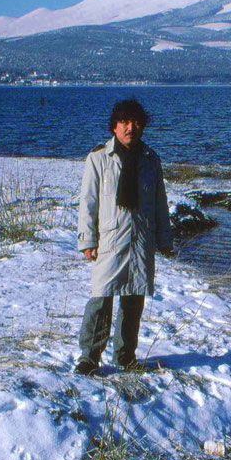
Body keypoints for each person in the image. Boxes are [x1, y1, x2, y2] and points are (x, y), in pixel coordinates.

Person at [75, 98, 173, 375]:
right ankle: (89, 358)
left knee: (134, 301)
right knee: (100, 300)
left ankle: (126, 356)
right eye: (125, 123)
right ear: (115, 127)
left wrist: (164, 239)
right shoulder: (98, 159)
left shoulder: (151, 161)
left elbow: (160, 203)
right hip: (110, 241)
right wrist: (87, 240)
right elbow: (88, 203)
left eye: (136, 123)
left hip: (141, 242)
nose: (131, 128)